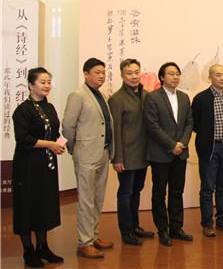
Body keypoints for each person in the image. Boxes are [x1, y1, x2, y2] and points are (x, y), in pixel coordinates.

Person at [62, 58, 114, 259]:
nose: (101, 76)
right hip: (86, 154)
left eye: (103, 72)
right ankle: (84, 243)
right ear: (85, 74)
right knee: (86, 200)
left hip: (103, 152)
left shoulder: (101, 95)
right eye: (96, 72)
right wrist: (75, 148)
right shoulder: (78, 95)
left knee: (97, 198)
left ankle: (93, 235)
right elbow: (68, 125)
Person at [12, 67, 64, 267]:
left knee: (44, 204)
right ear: (30, 84)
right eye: (42, 82)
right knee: (27, 206)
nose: (47, 85)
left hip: (46, 164)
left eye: (49, 82)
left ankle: (43, 247)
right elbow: (23, 138)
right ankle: (28, 250)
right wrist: (50, 144)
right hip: (27, 165)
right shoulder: (23, 110)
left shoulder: (49, 107)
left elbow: (54, 132)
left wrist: (59, 143)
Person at [143, 62, 193, 246]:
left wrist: (182, 143)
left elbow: (189, 123)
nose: (175, 77)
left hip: (180, 153)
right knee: (159, 193)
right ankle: (162, 229)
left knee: (177, 191)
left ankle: (176, 228)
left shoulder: (184, 97)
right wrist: (172, 145)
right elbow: (152, 126)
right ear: (162, 77)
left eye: (177, 74)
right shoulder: (152, 97)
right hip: (161, 153)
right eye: (171, 74)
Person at [108, 58, 154, 246]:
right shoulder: (117, 99)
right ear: (122, 75)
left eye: (136, 72)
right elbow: (115, 131)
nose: (134, 76)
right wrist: (117, 158)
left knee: (137, 191)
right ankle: (126, 230)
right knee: (126, 193)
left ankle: (135, 226)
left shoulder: (145, 95)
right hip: (126, 156)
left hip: (143, 154)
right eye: (129, 73)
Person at [192, 64, 223, 237]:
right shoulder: (201, 98)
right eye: (218, 75)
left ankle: (222, 220)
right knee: (208, 188)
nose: (222, 78)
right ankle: (207, 223)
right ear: (210, 77)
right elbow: (195, 123)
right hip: (210, 148)